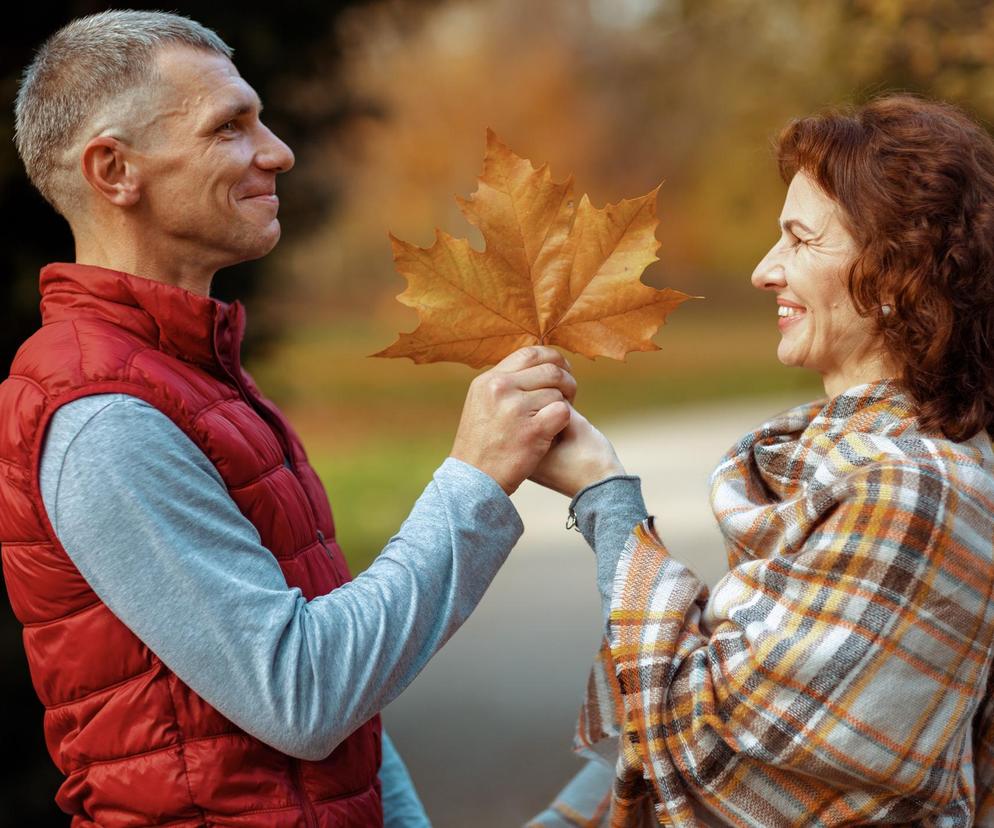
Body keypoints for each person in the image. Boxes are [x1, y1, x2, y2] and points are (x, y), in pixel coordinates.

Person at [0, 10, 576, 826]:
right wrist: (476, 478)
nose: (277, 151)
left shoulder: (192, 376)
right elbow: (302, 693)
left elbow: (346, 718)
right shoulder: (104, 419)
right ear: (114, 169)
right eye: (230, 127)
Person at [526, 93, 994, 826]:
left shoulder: (911, 489)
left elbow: (712, 746)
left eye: (801, 241)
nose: (763, 270)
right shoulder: (840, 465)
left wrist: (604, 499)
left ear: (898, 275)